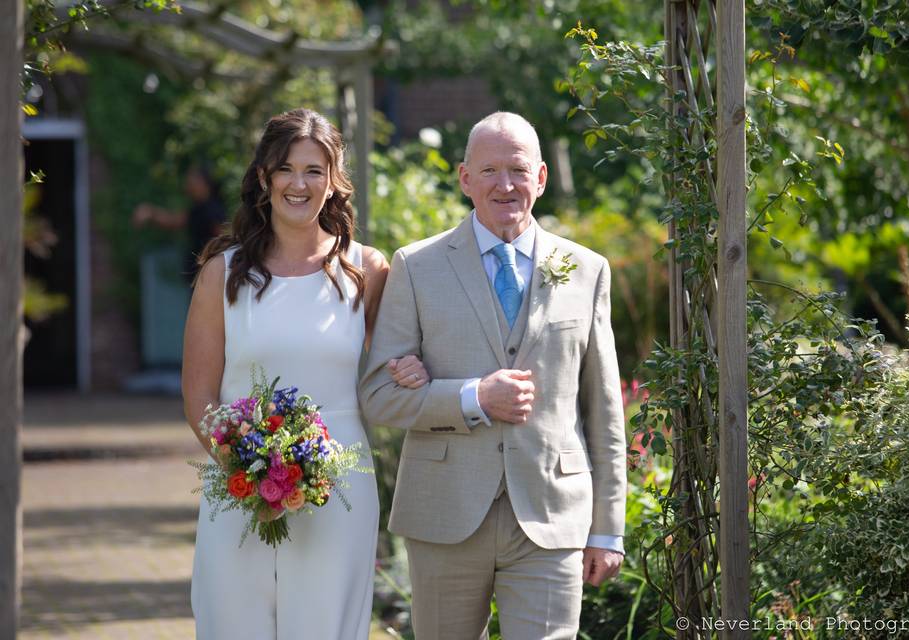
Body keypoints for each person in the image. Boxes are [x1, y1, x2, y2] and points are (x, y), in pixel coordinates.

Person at [359, 111, 627, 640]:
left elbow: (604, 410)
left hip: (551, 517)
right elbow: (379, 396)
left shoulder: (588, 269)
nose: (505, 185)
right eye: (488, 171)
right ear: (464, 178)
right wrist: (472, 397)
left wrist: (608, 528)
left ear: (542, 177)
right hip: (445, 515)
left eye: (518, 170)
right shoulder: (415, 267)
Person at [181, 108, 427, 640]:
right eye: (285, 169)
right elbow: (199, 393)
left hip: (339, 489)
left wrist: (410, 366)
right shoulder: (222, 274)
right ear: (264, 179)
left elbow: (392, 366)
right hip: (240, 487)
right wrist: (247, 473)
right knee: (233, 623)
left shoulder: (366, 269)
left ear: (334, 182)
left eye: (314, 170)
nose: (299, 183)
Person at [132, 164, 227, 282]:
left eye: (193, 178)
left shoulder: (213, 210)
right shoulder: (198, 209)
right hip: (199, 275)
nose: (188, 183)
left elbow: (224, 240)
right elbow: (175, 221)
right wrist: (151, 213)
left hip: (209, 277)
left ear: (204, 183)